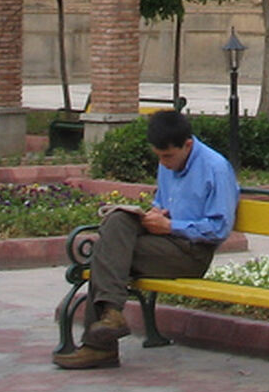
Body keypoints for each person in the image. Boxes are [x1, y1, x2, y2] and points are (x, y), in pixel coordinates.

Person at [54, 109, 238, 371]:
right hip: (163, 243)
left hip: (192, 253)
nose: (163, 163)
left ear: (187, 145)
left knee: (106, 254)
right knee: (117, 221)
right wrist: (155, 215)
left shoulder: (215, 168)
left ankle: (99, 346)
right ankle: (111, 316)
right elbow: (162, 203)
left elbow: (220, 228)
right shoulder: (168, 165)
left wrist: (172, 225)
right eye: (159, 156)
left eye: (168, 156)